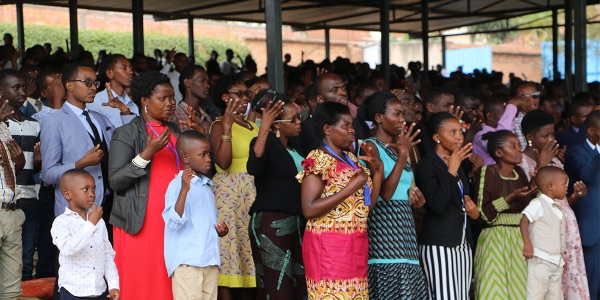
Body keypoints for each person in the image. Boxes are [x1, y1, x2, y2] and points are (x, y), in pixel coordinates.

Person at [297, 101, 383, 299]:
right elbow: (308, 209)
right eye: (345, 125)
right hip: (328, 249)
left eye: (352, 125)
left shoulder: (351, 159)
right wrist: (349, 188)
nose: (352, 131)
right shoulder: (318, 159)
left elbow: (366, 207)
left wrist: (377, 173)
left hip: (355, 247)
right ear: (327, 129)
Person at [108, 70, 179, 300]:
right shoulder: (126, 133)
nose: (170, 103)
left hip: (174, 219)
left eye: (172, 97)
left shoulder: (176, 132)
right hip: (142, 218)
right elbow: (116, 181)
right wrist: (147, 153)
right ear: (145, 101)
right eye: (163, 98)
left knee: (170, 281)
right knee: (143, 281)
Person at [360, 91, 427, 299]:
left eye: (403, 114)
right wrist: (404, 155)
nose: (402, 120)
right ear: (379, 118)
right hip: (384, 231)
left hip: (404, 228)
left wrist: (417, 199)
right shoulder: (370, 146)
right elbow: (385, 194)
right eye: (397, 114)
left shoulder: (397, 148)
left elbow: (401, 190)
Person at [519, 109, 590, 299]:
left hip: (566, 229)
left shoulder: (557, 161)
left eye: (553, 134)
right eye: (546, 135)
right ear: (530, 137)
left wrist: (573, 197)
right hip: (544, 236)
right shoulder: (521, 163)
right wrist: (540, 164)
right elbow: (527, 201)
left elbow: (557, 198)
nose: (552, 139)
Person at [246, 91, 307, 299]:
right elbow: (254, 165)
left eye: (299, 118)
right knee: (277, 287)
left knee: (300, 287)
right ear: (277, 124)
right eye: (293, 119)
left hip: (298, 222)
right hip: (272, 221)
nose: (299, 122)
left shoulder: (296, 147)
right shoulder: (264, 141)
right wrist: (264, 127)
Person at [414, 112, 480, 300]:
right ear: (436, 137)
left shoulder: (457, 165)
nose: (459, 136)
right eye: (452, 132)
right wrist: (451, 170)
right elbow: (437, 205)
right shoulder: (428, 165)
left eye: (460, 131)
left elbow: (460, 203)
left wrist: (474, 214)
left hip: (461, 244)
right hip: (439, 245)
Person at [40, 62, 113, 219]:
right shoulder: (54, 121)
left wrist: (125, 111)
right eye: (87, 82)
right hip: (76, 212)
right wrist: (80, 164)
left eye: (95, 83)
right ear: (69, 86)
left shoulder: (101, 119)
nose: (93, 87)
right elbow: (48, 174)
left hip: (107, 205)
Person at [162, 131, 229, 300]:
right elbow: (173, 222)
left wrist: (220, 231)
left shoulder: (206, 186)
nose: (208, 159)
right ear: (186, 157)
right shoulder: (177, 185)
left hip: (209, 261)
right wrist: (184, 191)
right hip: (188, 263)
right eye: (202, 155)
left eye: (209, 154)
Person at [208, 74, 257, 300]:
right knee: (230, 253)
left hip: (252, 193)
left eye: (247, 93)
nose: (245, 98)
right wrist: (227, 127)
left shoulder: (252, 126)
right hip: (228, 194)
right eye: (239, 94)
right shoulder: (218, 125)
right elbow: (223, 163)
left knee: (248, 255)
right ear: (225, 97)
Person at [472, 130, 537, 299]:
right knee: (494, 291)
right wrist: (510, 197)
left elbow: (528, 207)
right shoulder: (487, 172)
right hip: (495, 238)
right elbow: (483, 214)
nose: (519, 150)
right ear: (498, 153)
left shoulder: (521, 173)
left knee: (520, 291)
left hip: (520, 238)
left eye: (519, 146)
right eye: (513, 146)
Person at [1, 68, 47, 281]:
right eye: (16, 87)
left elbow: (34, 168)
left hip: (30, 196)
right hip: (7, 200)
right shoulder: (3, 125)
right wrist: (16, 164)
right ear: (2, 91)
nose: (22, 92)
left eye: (24, 87)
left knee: (26, 257)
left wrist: (37, 165)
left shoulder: (33, 123)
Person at [51, 169, 119, 300]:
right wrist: (90, 224)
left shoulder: (99, 222)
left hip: (99, 291)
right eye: (85, 189)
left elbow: (108, 255)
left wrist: (113, 285)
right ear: (67, 194)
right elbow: (69, 249)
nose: (91, 194)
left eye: (93, 189)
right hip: (73, 292)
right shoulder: (61, 222)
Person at [565, 110, 600, 300]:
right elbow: (586, 174)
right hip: (593, 230)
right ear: (592, 132)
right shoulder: (575, 151)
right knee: (592, 286)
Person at [521, 166, 570, 300]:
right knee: (536, 294)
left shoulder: (557, 208)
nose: (567, 188)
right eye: (564, 185)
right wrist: (527, 244)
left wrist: (561, 259)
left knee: (555, 296)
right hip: (541, 259)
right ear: (550, 186)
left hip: (555, 261)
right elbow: (524, 220)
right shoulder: (538, 204)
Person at [0, 98, 26, 299]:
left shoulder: (4, 127)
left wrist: (19, 162)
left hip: (11, 210)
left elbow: (7, 169)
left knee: (12, 290)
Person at [88, 54, 138, 128]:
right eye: (124, 68)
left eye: (130, 68)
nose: (130, 72)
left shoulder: (132, 103)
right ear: (110, 74)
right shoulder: (97, 101)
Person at [168, 65, 217, 135]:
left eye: (207, 82)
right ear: (187, 83)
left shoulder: (206, 118)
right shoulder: (174, 116)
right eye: (202, 81)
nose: (207, 85)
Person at [472, 98, 519, 166]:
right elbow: (499, 143)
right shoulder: (481, 135)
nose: (506, 118)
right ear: (489, 116)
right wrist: (511, 108)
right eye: (504, 115)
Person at [513, 82, 541, 150]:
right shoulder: (514, 123)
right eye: (526, 97)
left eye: (535, 95)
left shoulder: (543, 118)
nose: (532, 99)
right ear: (517, 100)